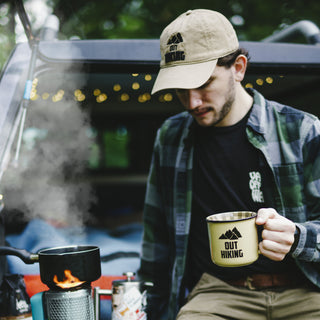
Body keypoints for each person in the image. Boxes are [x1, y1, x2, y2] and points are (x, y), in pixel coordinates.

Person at [138, 8, 320, 320]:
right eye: (181, 89)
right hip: (218, 292)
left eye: (204, 83)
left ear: (238, 68)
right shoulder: (171, 137)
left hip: (306, 290)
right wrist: (150, 308)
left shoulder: (302, 129)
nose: (192, 101)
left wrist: (298, 236)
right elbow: (156, 240)